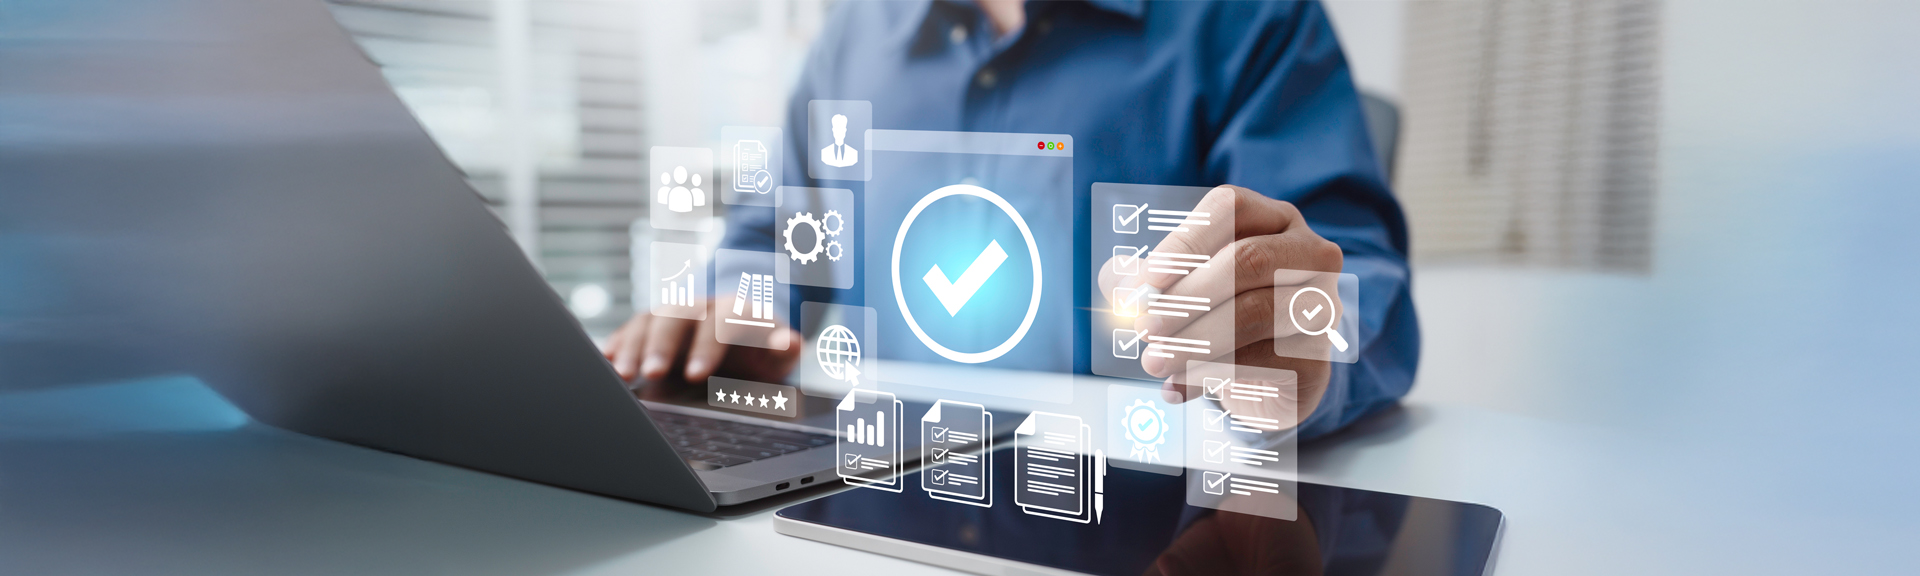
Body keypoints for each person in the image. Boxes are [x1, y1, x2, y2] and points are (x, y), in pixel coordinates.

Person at [603, 0, 1417, 440]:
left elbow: (1355, 273)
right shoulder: (850, 34)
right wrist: (736, 306)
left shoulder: (1253, 18)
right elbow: (772, 233)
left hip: (1139, 504)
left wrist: (1303, 339)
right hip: (865, 484)